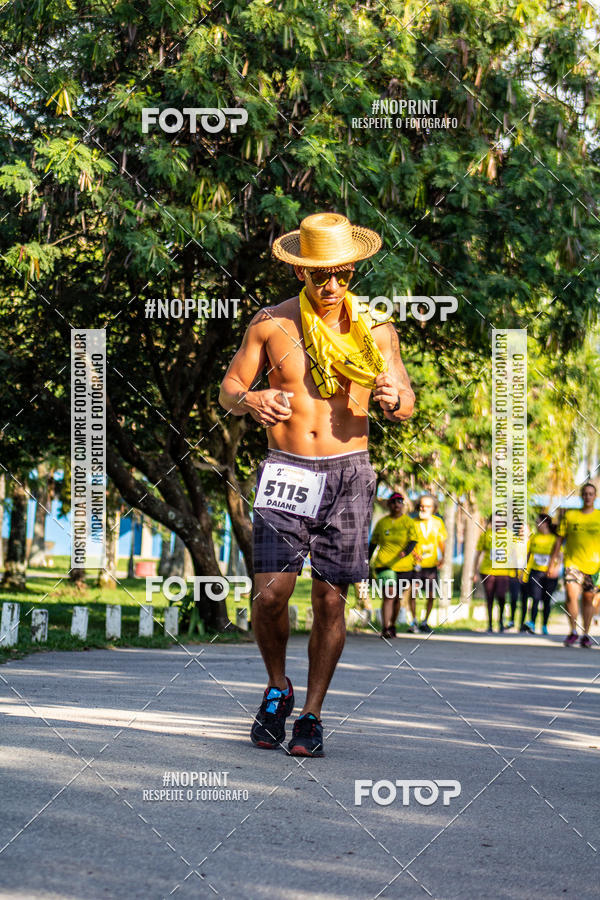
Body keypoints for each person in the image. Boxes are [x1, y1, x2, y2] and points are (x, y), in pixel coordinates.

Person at [219, 212, 415, 756]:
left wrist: (394, 401)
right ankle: (276, 686)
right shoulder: (270, 325)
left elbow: (404, 398)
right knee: (270, 594)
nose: (331, 287)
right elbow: (229, 389)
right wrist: (252, 399)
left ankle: (311, 713)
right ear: (300, 272)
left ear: (353, 272)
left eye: (343, 275)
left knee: (331, 601)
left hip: (349, 473)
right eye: (320, 276)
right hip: (286, 470)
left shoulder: (375, 329)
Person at [548, 483, 600, 648]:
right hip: (573, 563)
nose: (588, 496)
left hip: (594, 566)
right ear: (581, 496)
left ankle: (585, 633)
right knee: (571, 595)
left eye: (591, 494)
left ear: (595, 496)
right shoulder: (570, 516)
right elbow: (558, 541)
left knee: (589, 599)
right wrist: (552, 562)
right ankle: (573, 631)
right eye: (585, 493)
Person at [369, 493, 418, 638]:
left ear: (403, 505)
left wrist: (405, 552)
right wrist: (366, 560)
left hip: (404, 566)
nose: (397, 505)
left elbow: (414, 541)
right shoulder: (382, 523)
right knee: (389, 595)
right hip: (384, 564)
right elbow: (373, 543)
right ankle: (385, 628)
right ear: (389, 505)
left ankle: (393, 624)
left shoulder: (408, 522)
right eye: (393, 502)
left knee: (397, 598)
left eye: (400, 502)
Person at [408, 493, 447, 633]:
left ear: (434, 508)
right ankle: (414, 621)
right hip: (416, 565)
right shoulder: (413, 522)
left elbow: (442, 541)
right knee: (413, 593)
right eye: (422, 506)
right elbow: (408, 542)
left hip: (431, 565)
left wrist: (443, 558)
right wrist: (413, 553)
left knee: (431, 595)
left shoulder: (438, 522)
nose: (423, 508)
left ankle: (425, 621)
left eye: (427, 506)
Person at [473, 514, 516, 633]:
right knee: (490, 596)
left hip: (504, 571)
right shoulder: (486, 535)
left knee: (501, 595)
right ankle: (490, 624)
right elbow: (478, 553)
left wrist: (515, 570)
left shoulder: (509, 536)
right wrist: (474, 571)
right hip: (487, 570)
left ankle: (501, 621)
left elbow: (514, 554)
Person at [522, 513, 559, 635]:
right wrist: (524, 570)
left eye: (538, 522)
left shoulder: (554, 539)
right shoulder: (534, 538)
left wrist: (555, 568)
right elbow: (528, 554)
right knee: (535, 598)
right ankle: (532, 622)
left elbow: (560, 556)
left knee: (546, 600)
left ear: (545, 523)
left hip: (549, 574)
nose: (536, 525)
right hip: (535, 572)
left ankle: (544, 625)